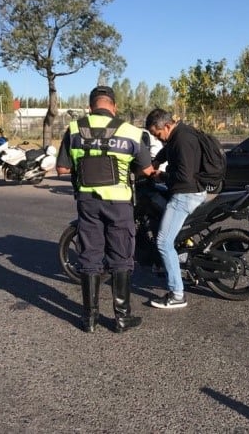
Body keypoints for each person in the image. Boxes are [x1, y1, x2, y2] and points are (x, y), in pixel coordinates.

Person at [56, 86, 154, 333]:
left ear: (90, 107)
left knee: (90, 257)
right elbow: (147, 170)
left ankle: (89, 319)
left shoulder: (74, 130)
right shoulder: (130, 131)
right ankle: (121, 318)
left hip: (88, 202)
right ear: (114, 106)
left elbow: (62, 170)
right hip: (119, 203)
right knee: (121, 257)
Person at [145, 108, 207, 309]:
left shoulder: (181, 140)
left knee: (163, 241)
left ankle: (177, 294)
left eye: (158, 134)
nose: (159, 138)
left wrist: (160, 176)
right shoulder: (180, 134)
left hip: (186, 194)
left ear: (167, 126)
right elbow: (167, 149)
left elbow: (184, 176)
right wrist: (156, 161)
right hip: (191, 191)